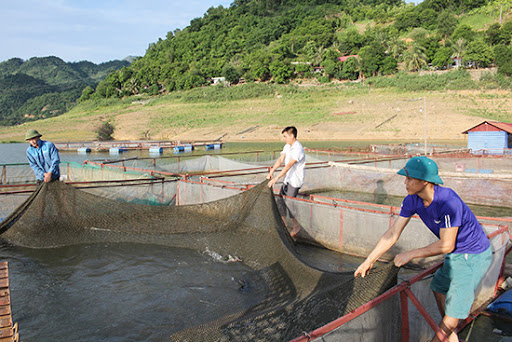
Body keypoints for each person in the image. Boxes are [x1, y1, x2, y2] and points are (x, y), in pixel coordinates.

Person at [354, 156, 491, 342]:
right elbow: (393, 232)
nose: (405, 182)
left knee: (452, 316)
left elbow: (446, 244)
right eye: (405, 178)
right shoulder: (412, 200)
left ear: (426, 181)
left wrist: (411, 254)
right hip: (455, 254)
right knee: (438, 287)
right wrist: (369, 260)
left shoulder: (448, 201)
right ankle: (451, 335)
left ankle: (448, 328)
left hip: (472, 254)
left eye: (410, 178)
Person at [267, 126, 305, 237]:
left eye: (285, 136)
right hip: (288, 179)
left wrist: (276, 178)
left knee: (289, 204)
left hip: (295, 181)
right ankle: (283, 225)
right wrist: (272, 171)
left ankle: (296, 226)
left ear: (292, 136)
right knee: (280, 202)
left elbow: (288, 165)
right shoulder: (287, 146)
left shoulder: (298, 148)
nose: (284, 139)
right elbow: (281, 159)